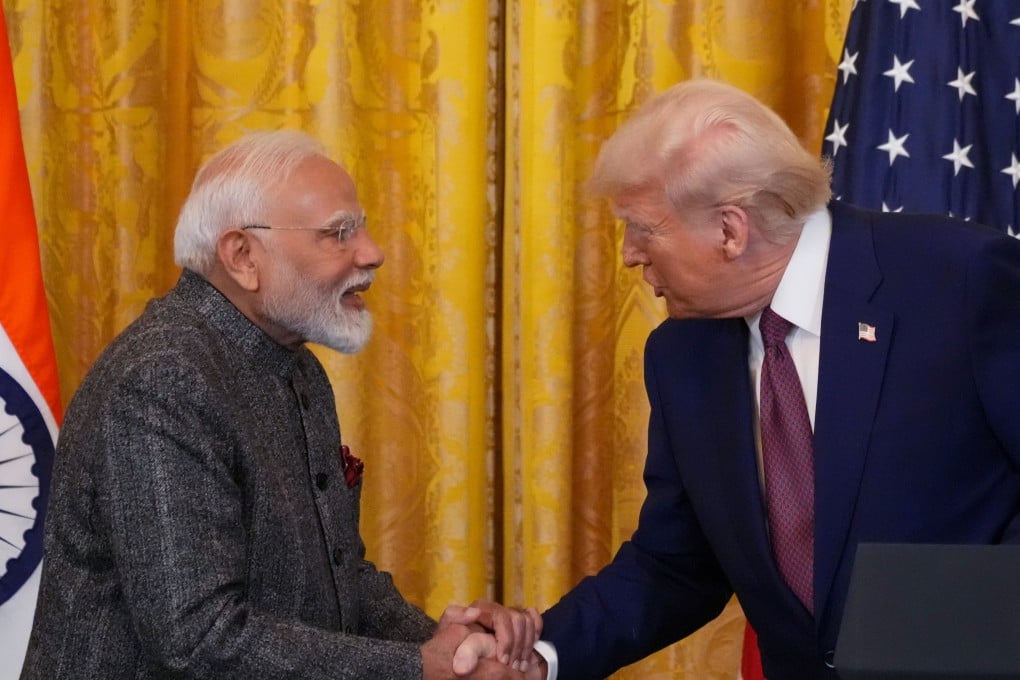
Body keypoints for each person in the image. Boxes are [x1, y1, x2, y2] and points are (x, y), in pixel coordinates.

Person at [536, 79, 1020, 679]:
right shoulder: (682, 353)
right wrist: (539, 656)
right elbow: (677, 563)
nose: (631, 254)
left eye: (642, 228)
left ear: (730, 230)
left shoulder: (961, 282)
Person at [21, 130, 540, 679]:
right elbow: (197, 638)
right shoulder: (162, 380)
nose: (372, 252)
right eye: (340, 232)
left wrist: (446, 644)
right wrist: (417, 669)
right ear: (243, 255)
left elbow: (337, 573)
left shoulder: (297, 367)